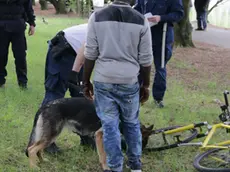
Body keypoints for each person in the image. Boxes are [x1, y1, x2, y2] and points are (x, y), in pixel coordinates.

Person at [83, 0, 153, 171]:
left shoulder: (96, 17)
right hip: (129, 80)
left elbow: (90, 52)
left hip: (103, 79)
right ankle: (135, 164)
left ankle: (115, 167)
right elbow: (146, 59)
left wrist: (85, 81)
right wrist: (146, 85)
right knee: (131, 123)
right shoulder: (141, 20)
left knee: (109, 126)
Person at [40, 24, 95, 153]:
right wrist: (76, 72)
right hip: (65, 49)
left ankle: (86, 136)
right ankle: (46, 141)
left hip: (80, 54)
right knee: (55, 96)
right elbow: (86, 46)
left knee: (82, 96)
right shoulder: (104, 26)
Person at [134, 0, 184, 108]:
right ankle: (137, 96)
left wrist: (160, 18)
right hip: (145, 36)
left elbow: (178, 14)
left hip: (163, 37)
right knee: (140, 66)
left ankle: (158, 98)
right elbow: (137, 9)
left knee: (160, 67)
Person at [0, 0, 36, 89]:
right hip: (1, 26)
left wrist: (32, 23)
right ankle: (0, 82)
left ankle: (23, 83)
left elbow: (28, 8)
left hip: (18, 26)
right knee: (1, 56)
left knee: (20, 56)